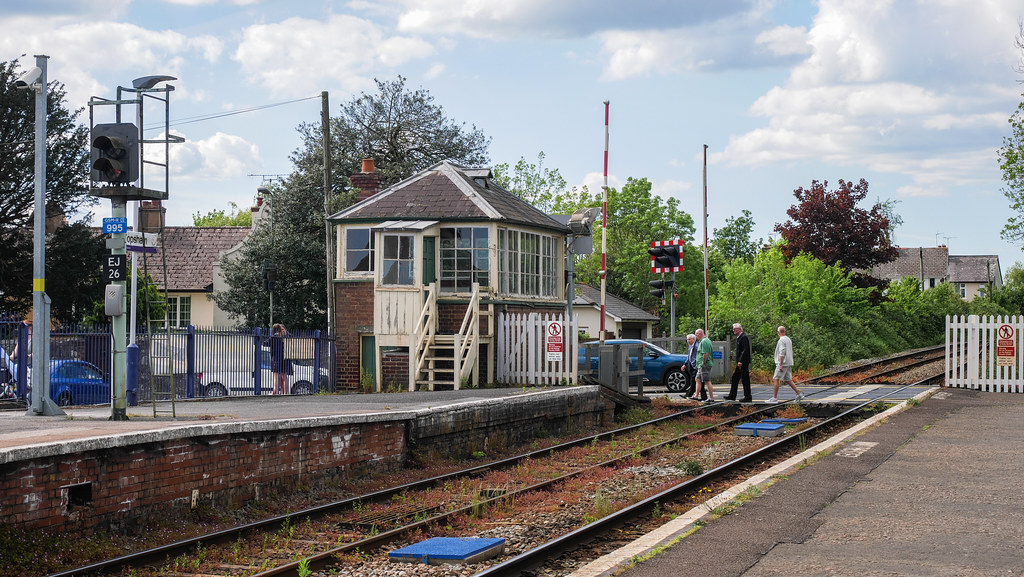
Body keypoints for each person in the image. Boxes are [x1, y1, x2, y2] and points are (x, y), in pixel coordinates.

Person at [769, 325, 804, 402]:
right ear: (785, 331)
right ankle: (799, 394)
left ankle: (774, 398)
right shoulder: (788, 339)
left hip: (783, 363)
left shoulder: (781, 340)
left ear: (778, 332)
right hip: (789, 362)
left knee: (776, 378)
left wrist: (780, 364)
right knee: (788, 379)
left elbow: (782, 352)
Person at [725, 323, 752, 402]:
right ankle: (732, 395)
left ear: (739, 329)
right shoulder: (739, 337)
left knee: (745, 379)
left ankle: (747, 396)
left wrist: (740, 360)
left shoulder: (743, 337)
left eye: (735, 329)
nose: (733, 330)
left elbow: (745, 350)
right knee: (735, 378)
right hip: (740, 362)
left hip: (743, 362)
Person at [690, 328, 715, 403]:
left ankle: (711, 398)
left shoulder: (704, 342)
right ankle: (696, 396)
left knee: (707, 380)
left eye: (696, 334)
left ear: (699, 334)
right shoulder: (705, 341)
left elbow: (705, 353)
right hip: (701, 364)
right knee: (697, 379)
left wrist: (703, 362)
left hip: (704, 364)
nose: (696, 336)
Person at [680, 333, 704, 399]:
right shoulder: (690, 346)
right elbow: (689, 356)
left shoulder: (697, 346)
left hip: (696, 366)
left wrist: (699, 364)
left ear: (694, 339)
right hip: (691, 365)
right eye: (687, 339)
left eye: (689, 339)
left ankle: (689, 394)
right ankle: (703, 396)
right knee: (697, 381)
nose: (688, 341)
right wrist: (685, 364)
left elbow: (699, 356)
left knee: (694, 381)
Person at [269, 323, 289, 395]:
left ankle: (282, 392)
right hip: (279, 358)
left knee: (281, 376)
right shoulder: (276, 338)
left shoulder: (287, 338)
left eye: (283, 329)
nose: (283, 331)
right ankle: (276, 391)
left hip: (282, 358)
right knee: (279, 376)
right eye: (281, 330)